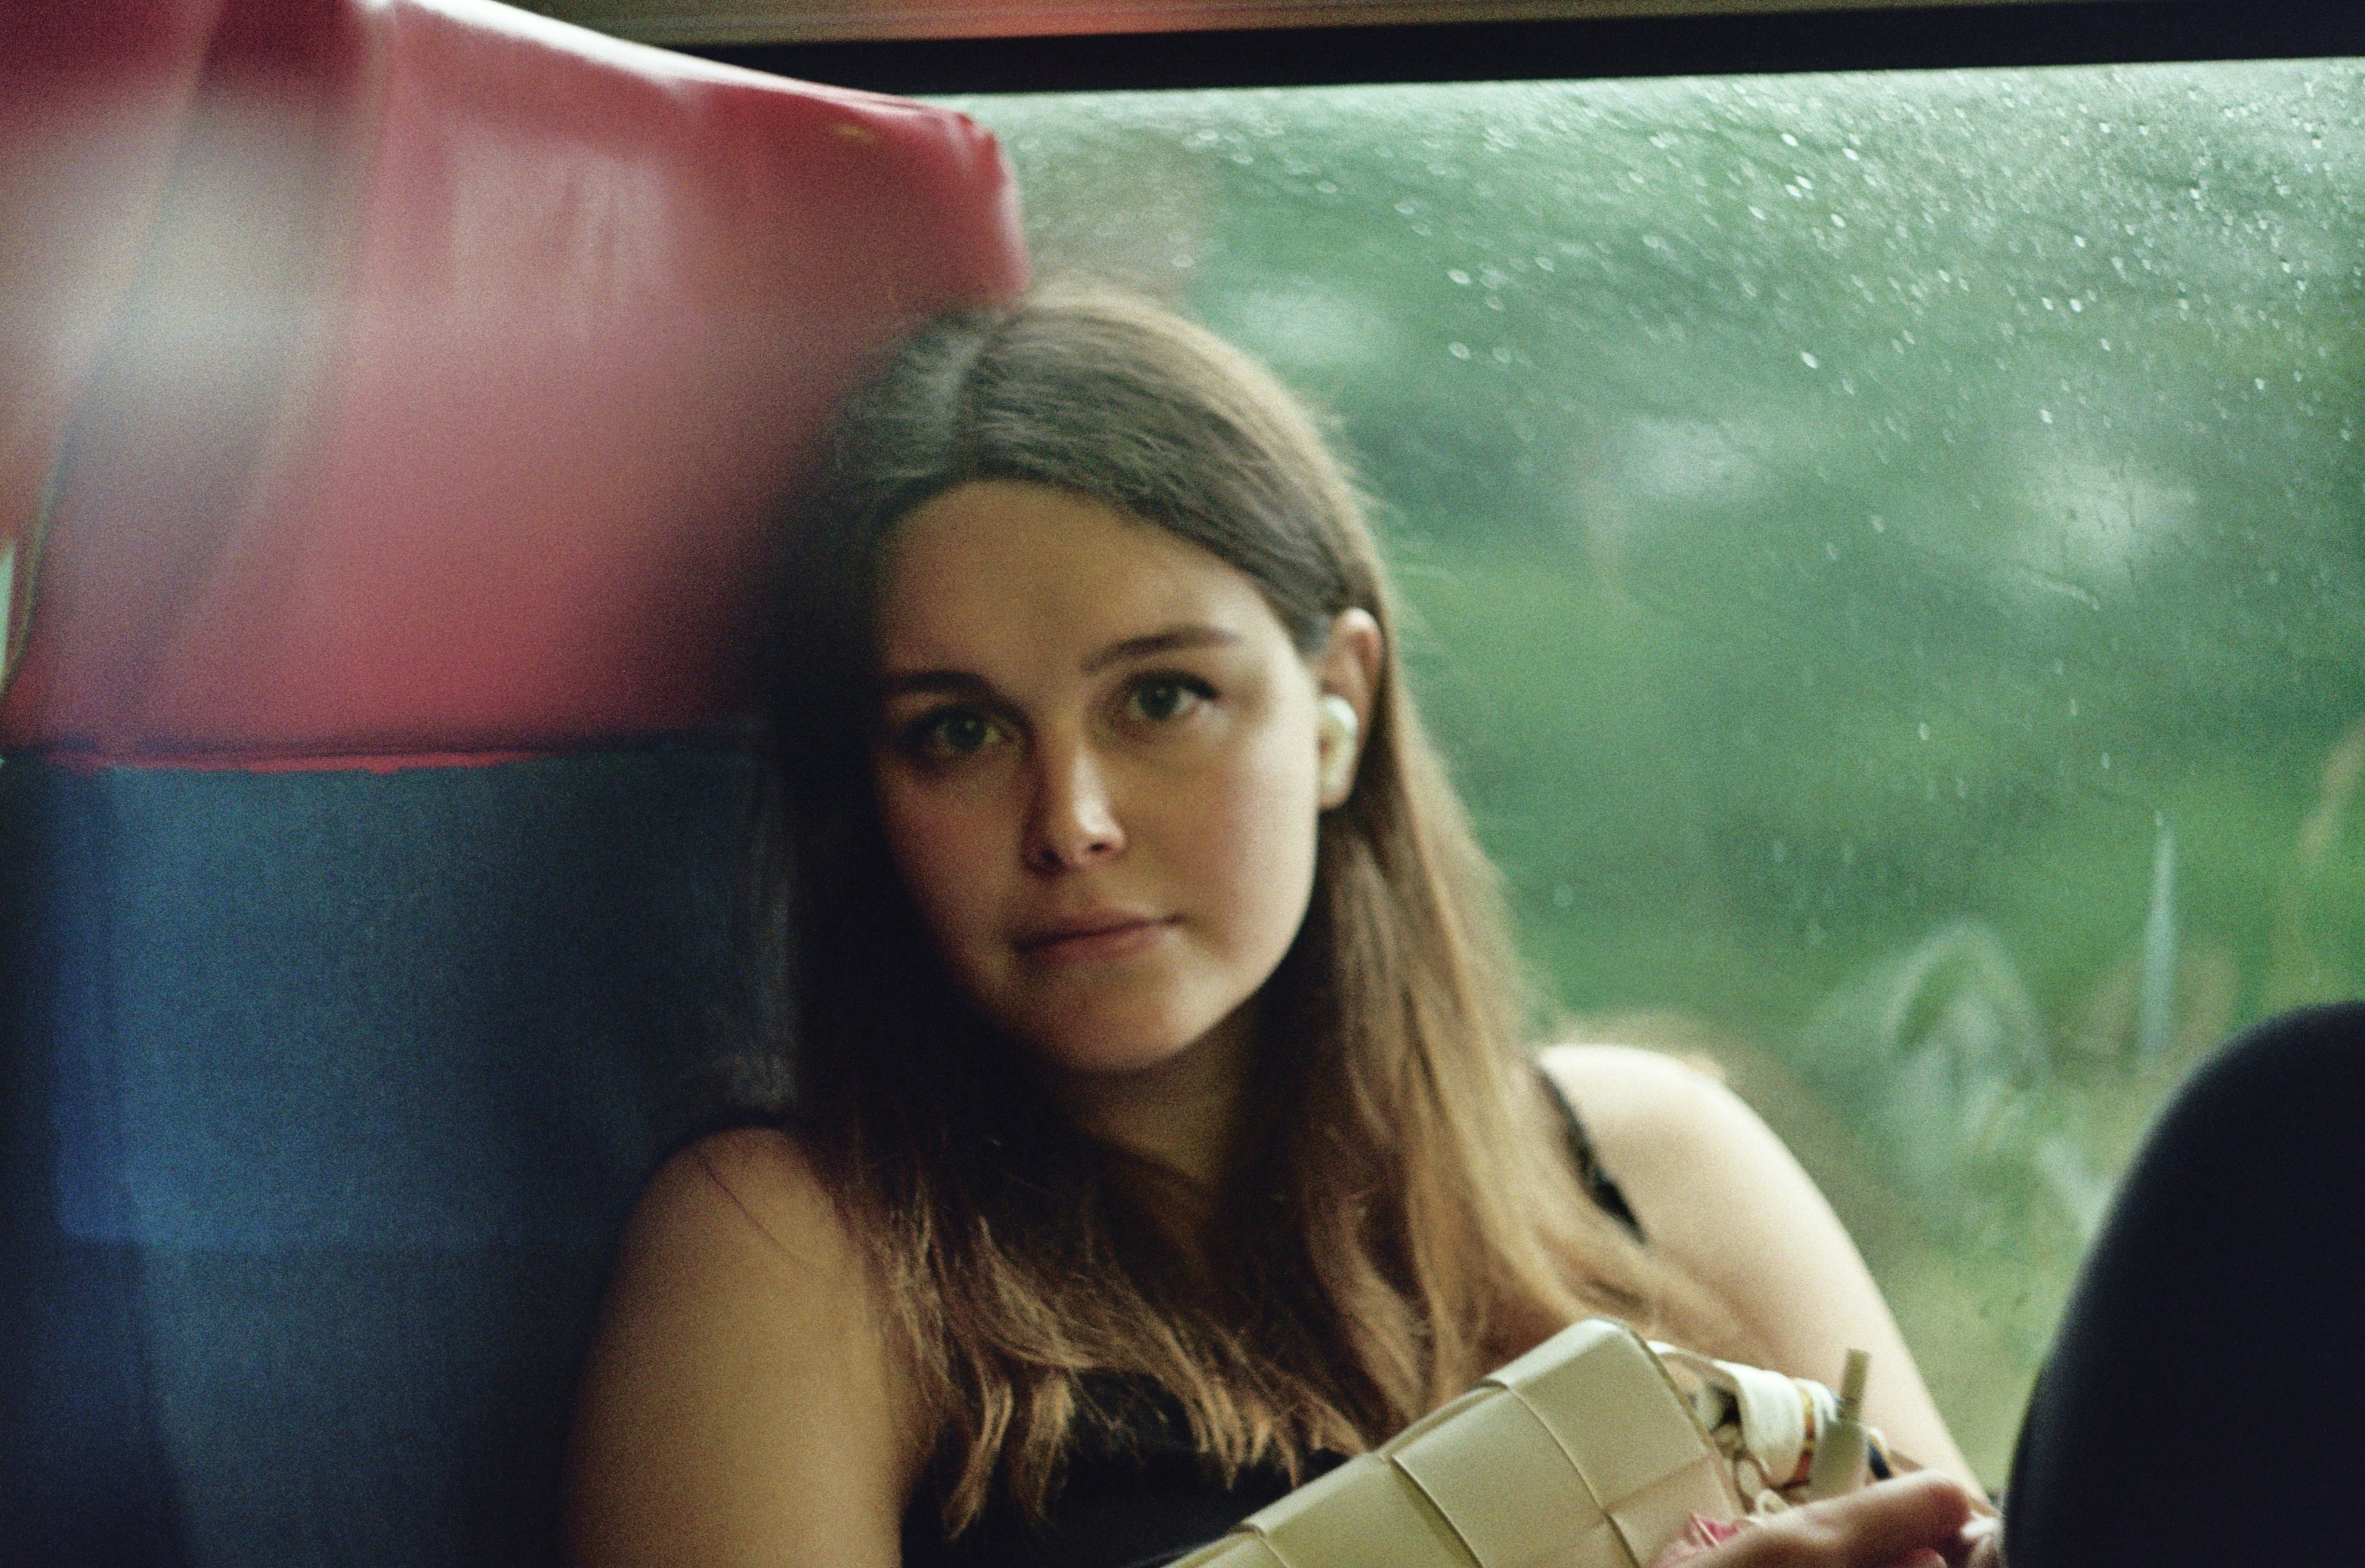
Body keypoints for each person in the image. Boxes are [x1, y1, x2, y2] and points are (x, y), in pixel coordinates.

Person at [559, 286, 1996, 1568]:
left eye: (1160, 698)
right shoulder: (803, 1252)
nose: (1071, 820)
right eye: (959, 730)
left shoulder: (1653, 1165)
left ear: (1338, 706)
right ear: (869, 795)